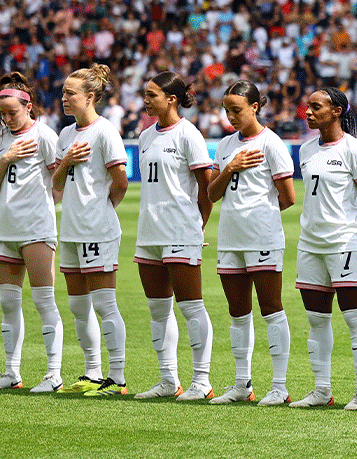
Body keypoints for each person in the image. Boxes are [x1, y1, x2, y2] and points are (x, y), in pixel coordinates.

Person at [290, 87, 357, 411]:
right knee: (317, 320)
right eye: (308, 106)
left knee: (354, 319)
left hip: (343, 244)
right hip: (310, 244)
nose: (308, 112)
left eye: (316, 106)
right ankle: (321, 390)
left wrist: (353, 236)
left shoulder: (354, 150)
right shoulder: (305, 149)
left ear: (337, 111)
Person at [208, 80, 296, 406]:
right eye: (227, 110)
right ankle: (241, 385)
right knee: (238, 313)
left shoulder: (271, 143)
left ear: (255, 107)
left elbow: (287, 198)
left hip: (262, 237)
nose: (231, 116)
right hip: (230, 238)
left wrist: (259, 215)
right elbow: (211, 194)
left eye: (237, 110)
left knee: (271, 309)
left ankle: (279, 386)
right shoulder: (225, 146)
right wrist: (229, 168)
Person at [133, 72, 215, 401]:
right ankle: (168, 380)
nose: (146, 99)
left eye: (152, 95)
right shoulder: (144, 136)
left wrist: (198, 227)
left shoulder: (189, 135)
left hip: (180, 229)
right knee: (158, 309)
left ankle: (202, 381)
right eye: (145, 94)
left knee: (191, 306)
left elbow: (206, 189)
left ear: (171, 99)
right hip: (149, 230)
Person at [53, 64, 129, 396]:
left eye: (70, 93)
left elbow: (120, 183)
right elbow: (55, 184)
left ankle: (118, 377)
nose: (64, 98)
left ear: (90, 96)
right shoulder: (66, 135)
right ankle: (92, 372)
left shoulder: (106, 132)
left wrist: (99, 212)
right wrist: (67, 161)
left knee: (104, 303)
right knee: (77, 305)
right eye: (64, 92)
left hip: (97, 230)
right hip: (70, 229)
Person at [0, 73, 63, 392]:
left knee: (44, 301)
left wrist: (45, 206)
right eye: (2, 114)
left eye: (12, 113)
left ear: (28, 107)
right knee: (8, 303)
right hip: (6, 228)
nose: (7, 119)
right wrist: (5, 159)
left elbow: (57, 183)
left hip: (36, 228)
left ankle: (53, 374)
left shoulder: (45, 135)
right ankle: (11, 372)